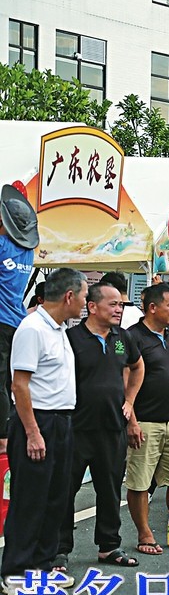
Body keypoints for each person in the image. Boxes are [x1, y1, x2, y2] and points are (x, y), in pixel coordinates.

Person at [0, 268, 85, 595]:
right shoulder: (32, 328)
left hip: (61, 421)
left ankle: (42, 566)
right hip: (37, 422)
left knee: (55, 498)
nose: (85, 303)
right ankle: (15, 572)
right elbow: (19, 385)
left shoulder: (59, 329)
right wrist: (33, 433)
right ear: (68, 296)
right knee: (30, 499)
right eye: (83, 296)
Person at [57, 282, 145, 571]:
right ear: (92, 307)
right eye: (113, 304)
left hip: (112, 428)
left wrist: (129, 401)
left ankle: (109, 546)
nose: (119, 309)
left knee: (109, 490)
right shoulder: (71, 338)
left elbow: (137, 367)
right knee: (65, 491)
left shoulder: (122, 337)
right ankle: (59, 550)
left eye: (121, 305)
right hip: (76, 429)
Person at [124, 283, 169, 556]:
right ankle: (145, 533)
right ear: (152, 307)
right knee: (140, 481)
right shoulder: (131, 336)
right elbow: (124, 382)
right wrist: (131, 421)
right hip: (145, 422)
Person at [0, 184, 38, 456]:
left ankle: (2, 436)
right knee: (11, 382)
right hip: (16, 320)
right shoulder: (27, 251)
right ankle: (9, 431)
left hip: (1, 321)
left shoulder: (1, 245)